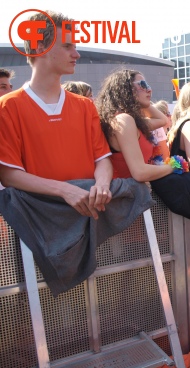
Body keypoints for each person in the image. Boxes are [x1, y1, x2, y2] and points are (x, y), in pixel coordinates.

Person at [0, 11, 112, 218]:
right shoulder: (7, 106)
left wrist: (102, 185)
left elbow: (102, 159)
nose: (76, 54)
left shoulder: (85, 105)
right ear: (40, 48)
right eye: (67, 46)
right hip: (37, 222)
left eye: (75, 47)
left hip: (90, 215)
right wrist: (65, 190)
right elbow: (9, 175)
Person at [96, 69, 172, 181]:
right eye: (143, 84)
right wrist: (174, 167)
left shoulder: (134, 122)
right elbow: (140, 173)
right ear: (126, 89)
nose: (149, 89)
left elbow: (162, 120)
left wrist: (143, 100)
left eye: (148, 85)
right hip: (132, 195)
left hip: (142, 191)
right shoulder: (123, 120)